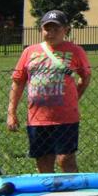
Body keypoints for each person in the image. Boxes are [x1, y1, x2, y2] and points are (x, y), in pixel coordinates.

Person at [7, 10, 91, 175]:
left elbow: (85, 77)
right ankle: (50, 191)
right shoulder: (29, 52)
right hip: (37, 119)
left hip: (66, 118)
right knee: (43, 161)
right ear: (41, 29)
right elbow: (18, 82)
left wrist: (75, 97)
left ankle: (72, 191)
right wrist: (11, 112)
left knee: (65, 159)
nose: (51, 33)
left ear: (66, 30)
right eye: (47, 29)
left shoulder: (75, 51)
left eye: (56, 29)